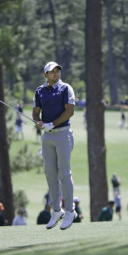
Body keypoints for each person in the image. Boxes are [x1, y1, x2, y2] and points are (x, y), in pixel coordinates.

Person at [32, 61, 76, 230]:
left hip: (63, 134)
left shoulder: (65, 88)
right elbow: (36, 113)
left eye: (58, 70)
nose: (56, 74)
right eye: (52, 72)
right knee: (50, 174)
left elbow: (70, 111)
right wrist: (39, 122)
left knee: (64, 173)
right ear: (46, 75)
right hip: (47, 137)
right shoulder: (39, 91)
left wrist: (53, 123)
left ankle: (70, 211)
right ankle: (56, 211)